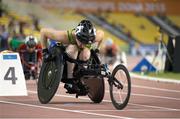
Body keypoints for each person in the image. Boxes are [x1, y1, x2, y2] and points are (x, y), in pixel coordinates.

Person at [40, 19, 104, 92]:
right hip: (66, 53)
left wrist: (98, 49)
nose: (82, 45)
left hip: (81, 56)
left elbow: (102, 34)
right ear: (77, 36)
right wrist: (44, 52)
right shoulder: (66, 36)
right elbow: (43, 32)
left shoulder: (94, 38)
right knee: (73, 49)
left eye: (86, 42)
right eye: (81, 41)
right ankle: (69, 79)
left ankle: (79, 76)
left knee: (86, 54)